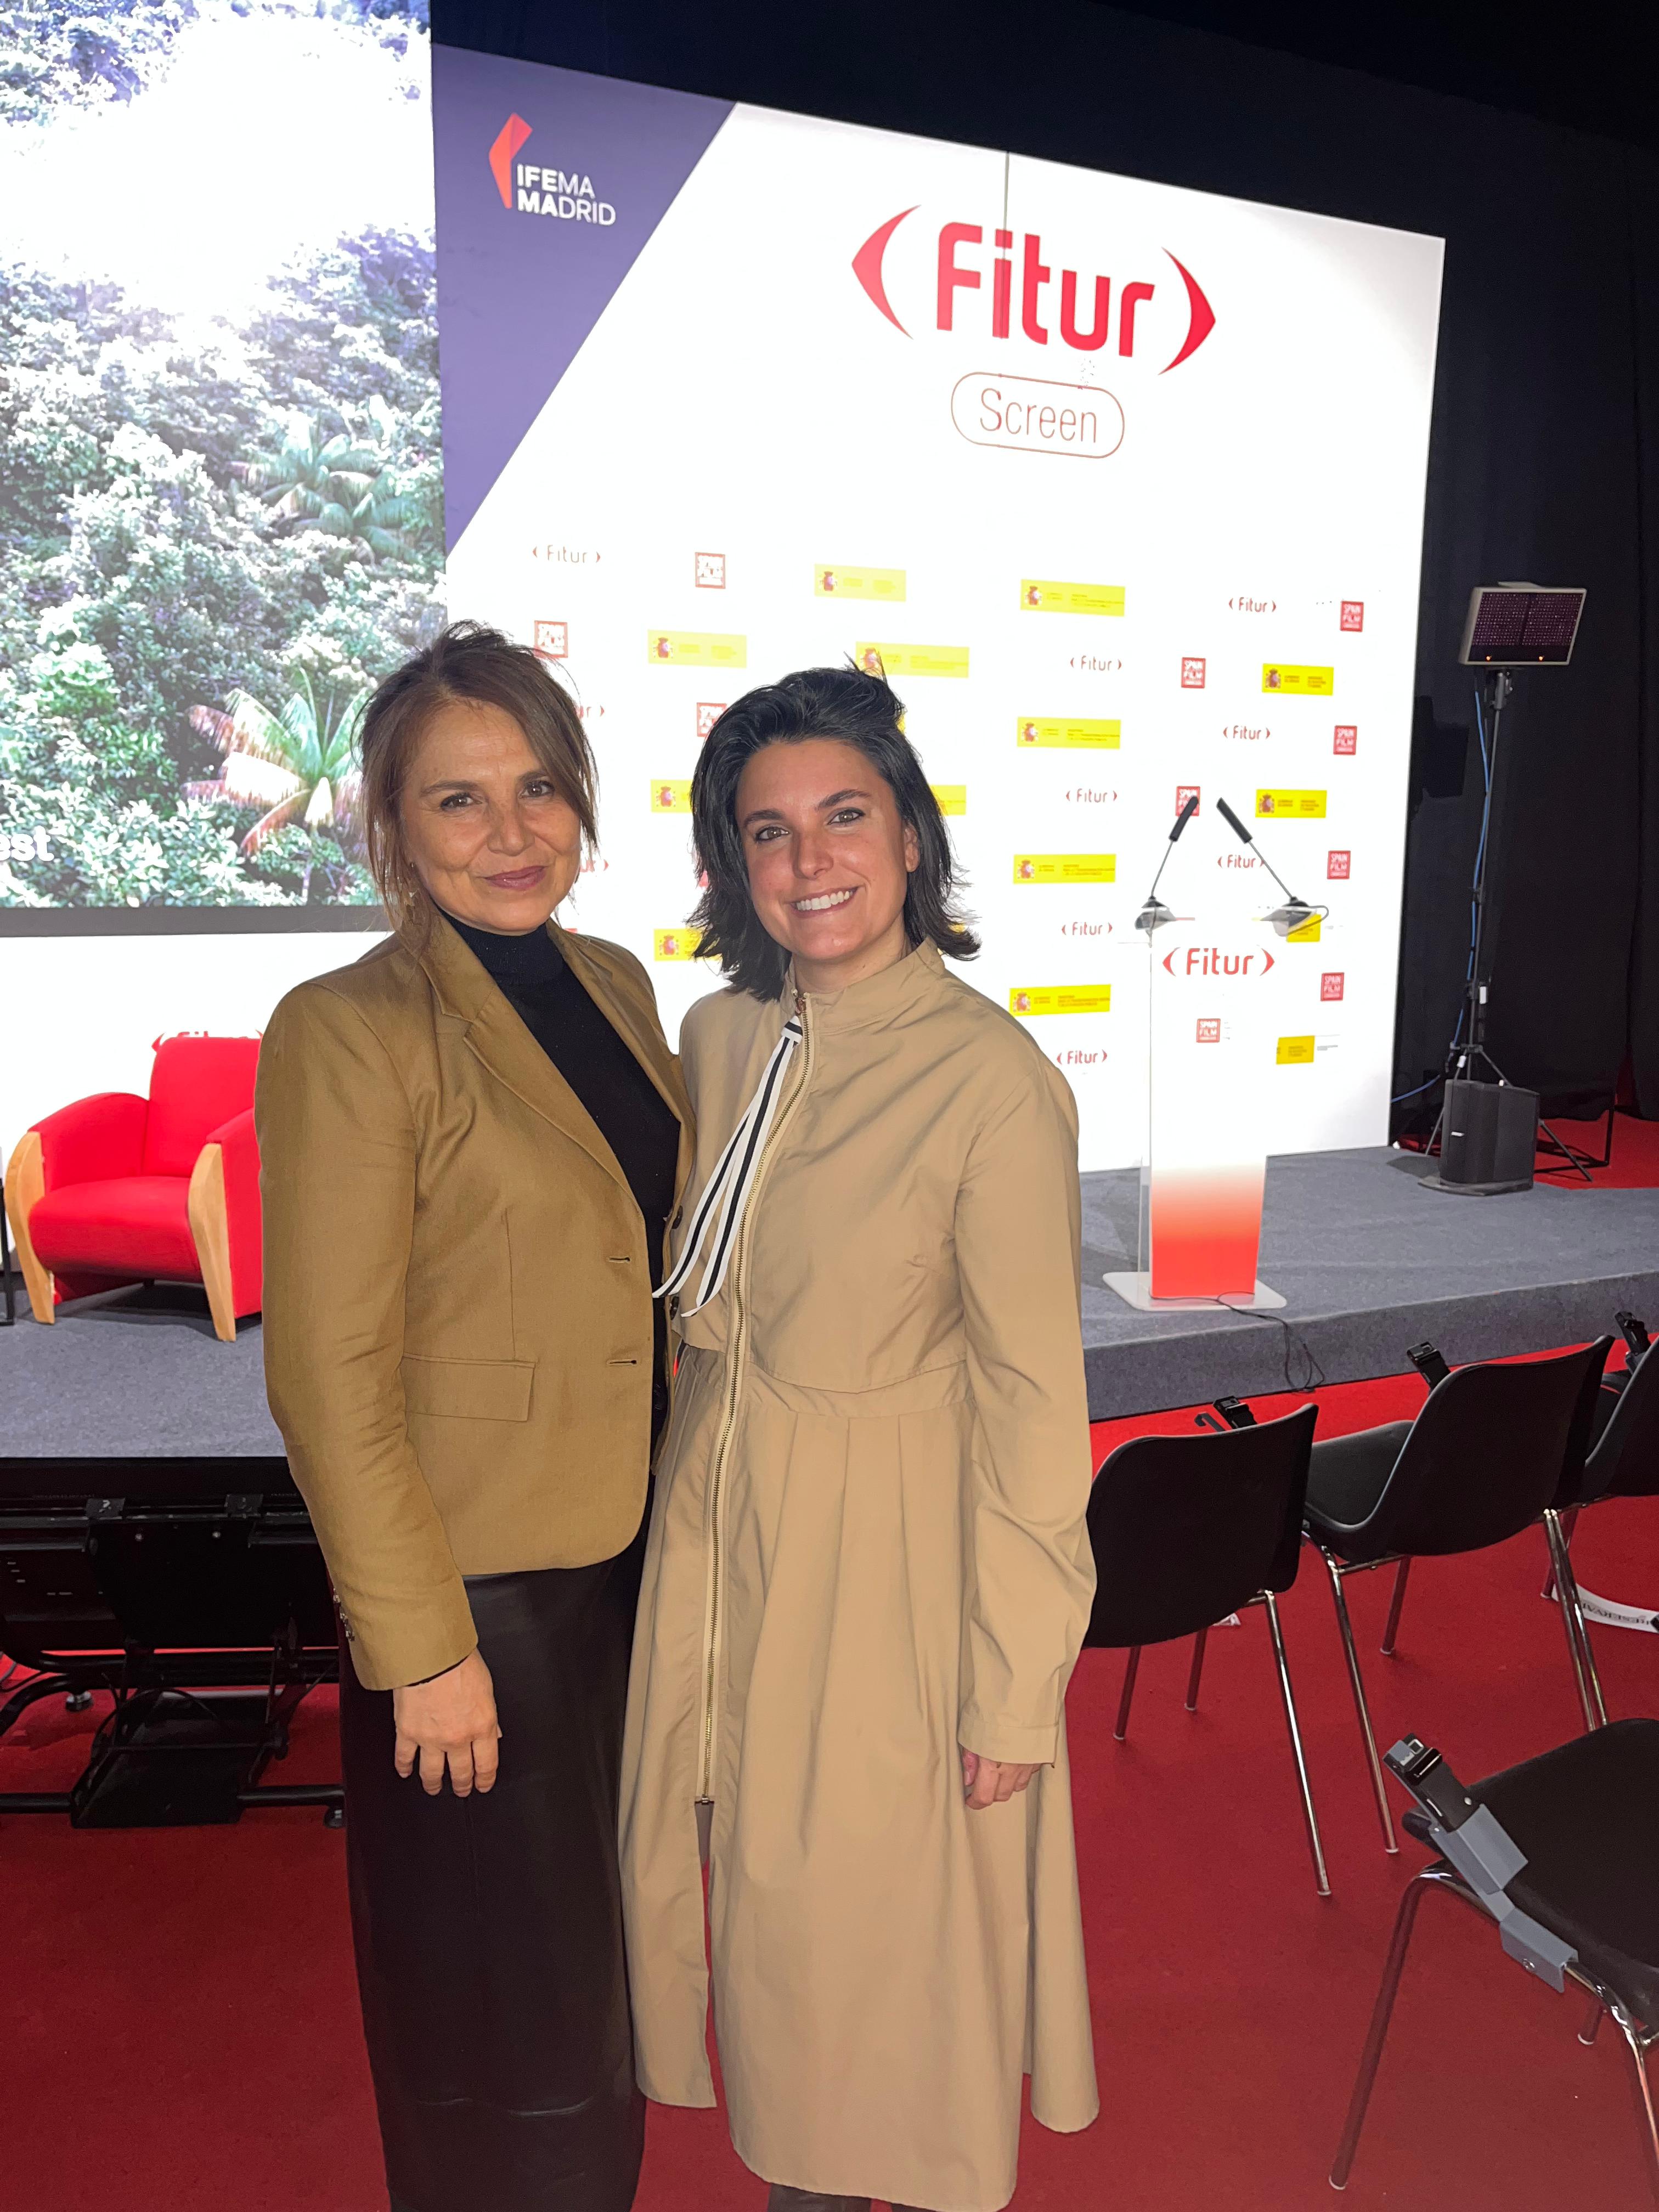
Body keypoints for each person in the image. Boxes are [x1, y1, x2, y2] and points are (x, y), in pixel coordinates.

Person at [619, 664, 1098, 2212]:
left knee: (860, 1971)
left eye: (844, 817)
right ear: (732, 862)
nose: (809, 861)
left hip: (888, 1574)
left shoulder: (991, 1084)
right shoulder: (719, 1034)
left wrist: (1013, 1683)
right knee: (756, 1928)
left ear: (909, 838)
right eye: (768, 831)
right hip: (721, 1537)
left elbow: (1036, 1410)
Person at [256, 622, 690, 2212]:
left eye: (539, 789)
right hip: (480, 1600)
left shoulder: (613, 982)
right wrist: (423, 1649)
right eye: (459, 799)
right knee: (503, 2006)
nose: (512, 833)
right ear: (391, 822)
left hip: (629, 1562)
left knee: (602, 1968)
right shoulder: (349, 1029)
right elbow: (327, 1371)